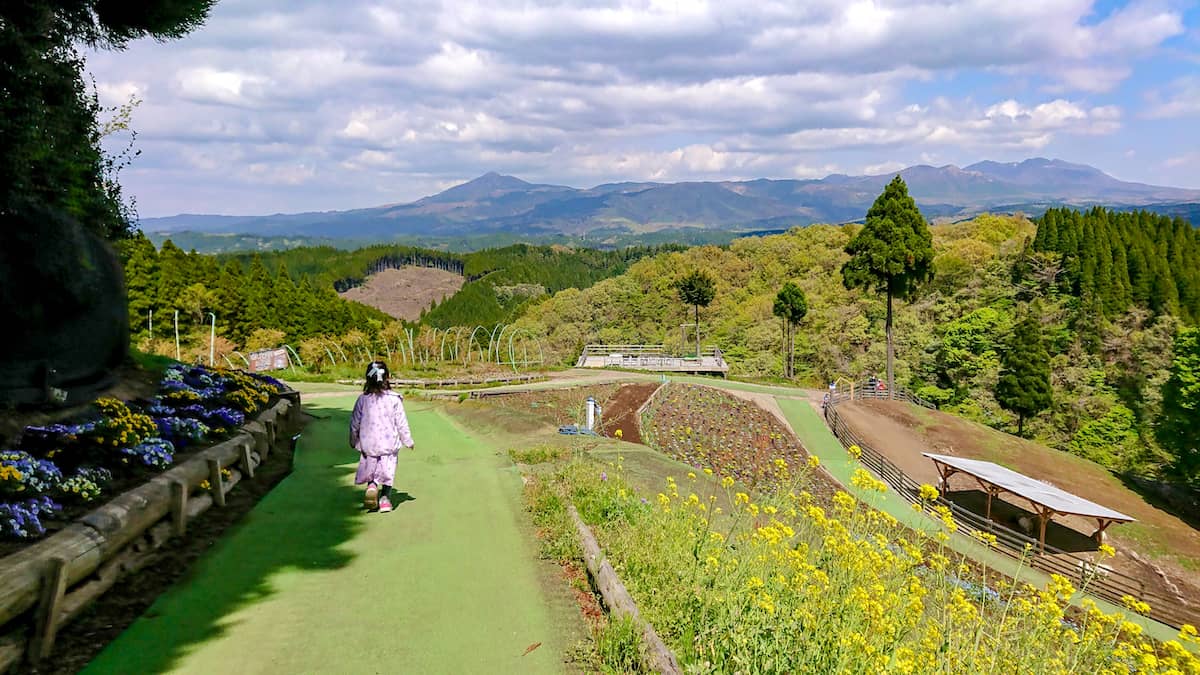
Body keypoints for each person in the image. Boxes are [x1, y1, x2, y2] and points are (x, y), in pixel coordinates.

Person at [349, 361, 415, 513]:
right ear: (388, 377)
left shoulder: (362, 399)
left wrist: (353, 440)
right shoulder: (394, 399)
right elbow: (401, 423)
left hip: (368, 444)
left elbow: (354, 423)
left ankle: (372, 486)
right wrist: (408, 440)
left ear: (367, 378)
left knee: (371, 468)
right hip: (388, 444)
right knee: (387, 471)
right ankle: (385, 499)